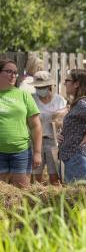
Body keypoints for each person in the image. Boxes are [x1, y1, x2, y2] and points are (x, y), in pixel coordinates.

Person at [0, 59, 42, 188]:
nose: (13, 75)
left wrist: (37, 152)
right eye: (9, 71)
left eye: (15, 72)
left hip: (21, 153)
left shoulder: (24, 95)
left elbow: (36, 126)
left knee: (21, 195)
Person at [58, 69, 86, 183]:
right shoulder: (79, 103)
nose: (64, 83)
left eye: (67, 80)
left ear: (76, 84)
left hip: (78, 157)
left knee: (79, 196)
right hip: (74, 157)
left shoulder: (83, 103)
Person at [31, 71, 67, 185]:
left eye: (43, 87)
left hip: (53, 140)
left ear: (49, 86)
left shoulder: (59, 100)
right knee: (36, 175)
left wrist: (60, 114)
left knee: (54, 175)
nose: (40, 89)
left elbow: (64, 119)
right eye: (38, 87)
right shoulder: (32, 99)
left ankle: (53, 200)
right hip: (36, 141)